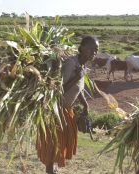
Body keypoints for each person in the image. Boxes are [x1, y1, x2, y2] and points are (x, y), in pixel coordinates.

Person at [36, 36, 99, 174]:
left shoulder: (82, 66)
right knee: (53, 142)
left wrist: (85, 105)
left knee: (63, 140)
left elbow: (78, 89)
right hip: (55, 110)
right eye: (91, 48)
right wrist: (77, 77)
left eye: (96, 50)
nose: (94, 52)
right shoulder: (71, 63)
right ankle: (50, 170)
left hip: (66, 109)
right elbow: (59, 89)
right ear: (81, 48)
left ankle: (53, 168)